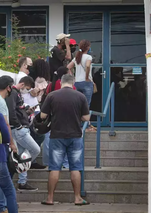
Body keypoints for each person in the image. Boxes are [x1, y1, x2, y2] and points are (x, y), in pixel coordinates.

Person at [40, 74, 90, 206]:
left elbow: (43, 115)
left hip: (57, 136)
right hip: (75, 136)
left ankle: (50, 198)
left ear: (61, 82)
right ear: (72, 82)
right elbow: (86, 117)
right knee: (75, 168)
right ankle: (78, 198)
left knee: (54, 168)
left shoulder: (52, 96)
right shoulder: (80, 96)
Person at [6, 76, 40, 191]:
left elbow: (16, 110)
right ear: (23, 84)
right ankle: (17, 167)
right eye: (28, 88)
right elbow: (12, 112)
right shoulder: (14, 94)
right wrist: (18, 125)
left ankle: (22, 180)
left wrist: (27, 112)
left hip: (20, 128)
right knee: (35, 150)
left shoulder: (15, 94)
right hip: (19, 129)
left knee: (22, 154)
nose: (27, 91)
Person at [42, 67, 77, 169]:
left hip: (52, 115)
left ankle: (48, 161)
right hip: (68, 116)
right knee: (67, 139)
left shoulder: (51, 85)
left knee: (48, 139)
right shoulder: (71, 88)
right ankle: (66, 163)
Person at [0, 76, 18, 213]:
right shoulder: (1, 102)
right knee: (3, 179)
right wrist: (12, 143)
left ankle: (0, 205)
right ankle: (1, 205)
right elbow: (6, 124)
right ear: (8, 87)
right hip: (1, 144)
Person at [67, 39, 94, 108]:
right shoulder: (88, 57)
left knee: (77, 104)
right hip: (86, 83)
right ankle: (85, 119)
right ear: (88, 47)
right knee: (86, 104)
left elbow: (68, 67)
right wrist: (87, 77)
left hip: (77, 82)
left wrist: (73, 77)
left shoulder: (77, 57)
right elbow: (87, 66)